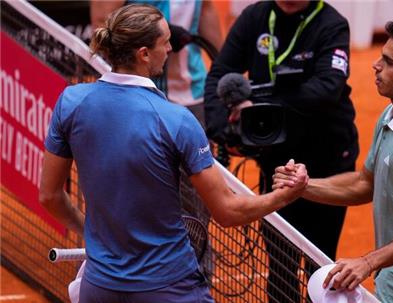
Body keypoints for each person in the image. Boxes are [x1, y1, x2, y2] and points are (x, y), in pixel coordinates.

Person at [39, 4, 307, 303]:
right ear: (143, 54)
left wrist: (91, 237)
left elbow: (49, 197)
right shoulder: (176, 120)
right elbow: (228, 212)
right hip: (171, 289)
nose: (170, 47)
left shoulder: (71, 102)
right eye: (165, 42)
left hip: (99, 287)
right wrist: (285, 196)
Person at [273, 14, 393, 303]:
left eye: (389, 62)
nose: (376, 66)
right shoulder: (392, 116)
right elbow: (365, 184)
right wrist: (305, 186)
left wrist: (368, 262)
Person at [203, 1, 359, 301]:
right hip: (275, 161)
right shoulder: (255, 17)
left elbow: (328, 87)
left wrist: (260, 103)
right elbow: (219, 74)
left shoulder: (331, 24)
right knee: (278, 262)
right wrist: (226, 133)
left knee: (321, 262)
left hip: (327, 162)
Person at [90, 0, 223, 126]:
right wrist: (154, 36)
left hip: (194, 89)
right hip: (137, 98)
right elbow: (102, 21)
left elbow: (206, 9)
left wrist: (224, 70)